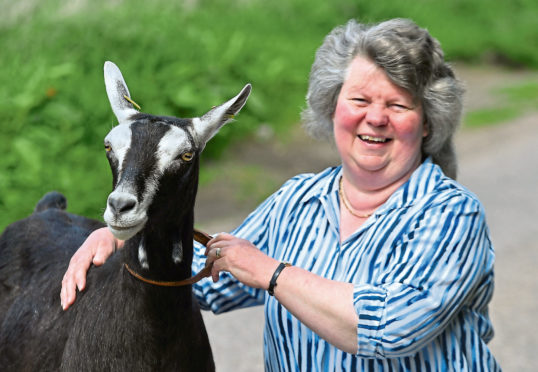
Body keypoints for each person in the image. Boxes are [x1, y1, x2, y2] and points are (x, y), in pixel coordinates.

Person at [61, 18, 500, 371]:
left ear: (427, 123)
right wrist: (125, 238)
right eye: (359, 99)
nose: (376, 118)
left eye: (399, 105)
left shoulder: (451, 214)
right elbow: (200, 279)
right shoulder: (297, 200)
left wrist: (272, 273)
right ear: (332, 109)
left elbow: (390, 328)